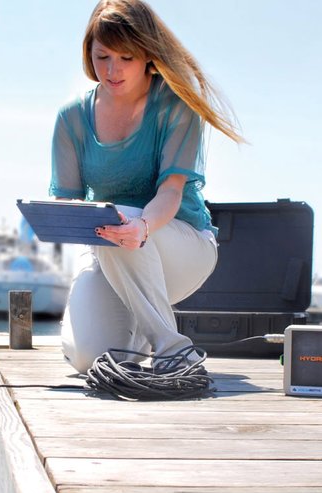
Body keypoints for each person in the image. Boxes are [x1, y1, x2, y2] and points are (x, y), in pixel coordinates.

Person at [49, 0, 244, 374]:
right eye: (103, 56)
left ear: (147, 57)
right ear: (89, 53)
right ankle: (139, 335)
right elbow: (67, 200)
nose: (113, 69)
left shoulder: (176, 106)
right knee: (93, 359)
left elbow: (170, 192)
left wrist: (140, 228)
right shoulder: (71, 118)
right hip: (110, 249)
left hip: (181, 246)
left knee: (124, 220)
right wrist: (58, 215)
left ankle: (174, 351)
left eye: (126, 57)